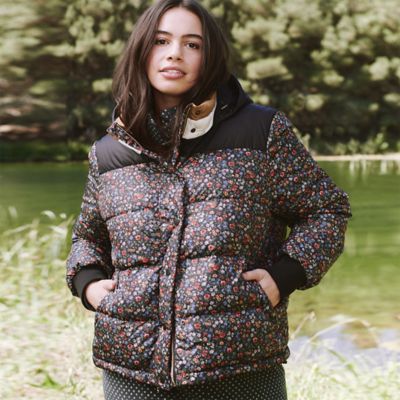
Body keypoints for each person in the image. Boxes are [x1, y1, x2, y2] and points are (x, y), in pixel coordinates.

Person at [66, 0, 351, 399]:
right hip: (132, 371)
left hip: (241, 367)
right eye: (161, 41)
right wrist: (88, 284)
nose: (175, 54)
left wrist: (284, 276)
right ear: (141, 51)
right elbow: (88, 238)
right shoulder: (110, 151)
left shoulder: (261, 131)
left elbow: (326, 210)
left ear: (210, 56)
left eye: (192, 44)